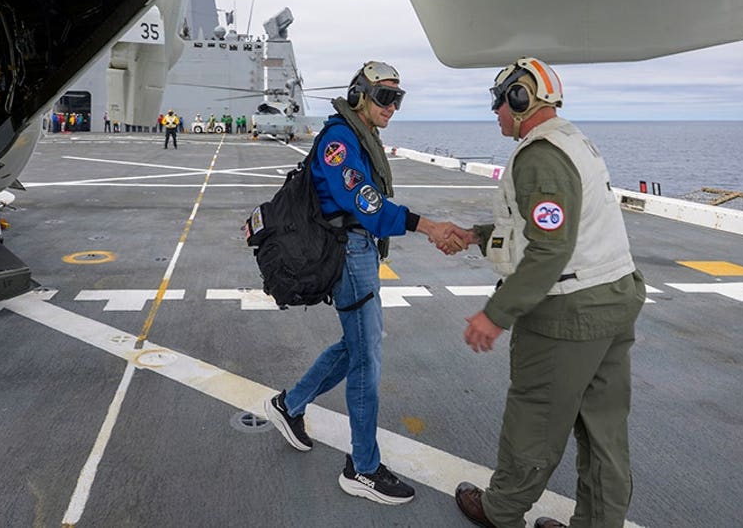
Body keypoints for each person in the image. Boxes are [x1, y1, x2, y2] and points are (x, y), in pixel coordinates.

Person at [264, 60, 471, 506]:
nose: (392, 106)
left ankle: (289, 404)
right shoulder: (340, 140)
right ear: (359, 95)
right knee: (366, 359)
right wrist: (429, 227)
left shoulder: (361, 135)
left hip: (359, 250)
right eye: (385, 97)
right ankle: (362, 468)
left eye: (398, 99)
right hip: (349, 253)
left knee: (360, 344)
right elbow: (367, 204)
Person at [452, 57, 647, 528]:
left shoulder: (540, 157)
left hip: (568, 314)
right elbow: (539, 229)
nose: (495, 112)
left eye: (499, 101)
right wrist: (476, 236)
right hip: (612, 297)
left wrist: (495, 314)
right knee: (603, 430)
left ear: (521, 99)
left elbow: (550, 250)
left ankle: (501, 511)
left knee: (535, 419)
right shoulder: (573, 141)